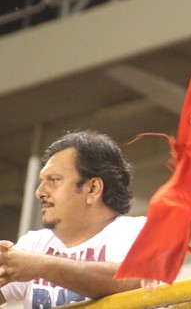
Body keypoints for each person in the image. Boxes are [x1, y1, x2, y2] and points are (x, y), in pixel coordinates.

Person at [0, 130, 146, 308]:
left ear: (92, 188)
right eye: (41, 181)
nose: (39, 192)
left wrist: (42, 265)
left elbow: (134, 280)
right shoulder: (34, 244)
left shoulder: (138, 231)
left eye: (53, 180)